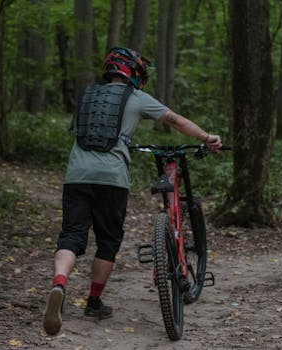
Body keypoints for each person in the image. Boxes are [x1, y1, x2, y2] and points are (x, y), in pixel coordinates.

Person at [43, 47, 222, 335]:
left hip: (76, 175)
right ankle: (94, 301)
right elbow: (175, 120)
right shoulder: (137, 98)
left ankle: (59, 283)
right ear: (134, 74)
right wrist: (207, 137)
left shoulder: (87, 95)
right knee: (108, 241)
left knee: (72, 235)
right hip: (111, 179)